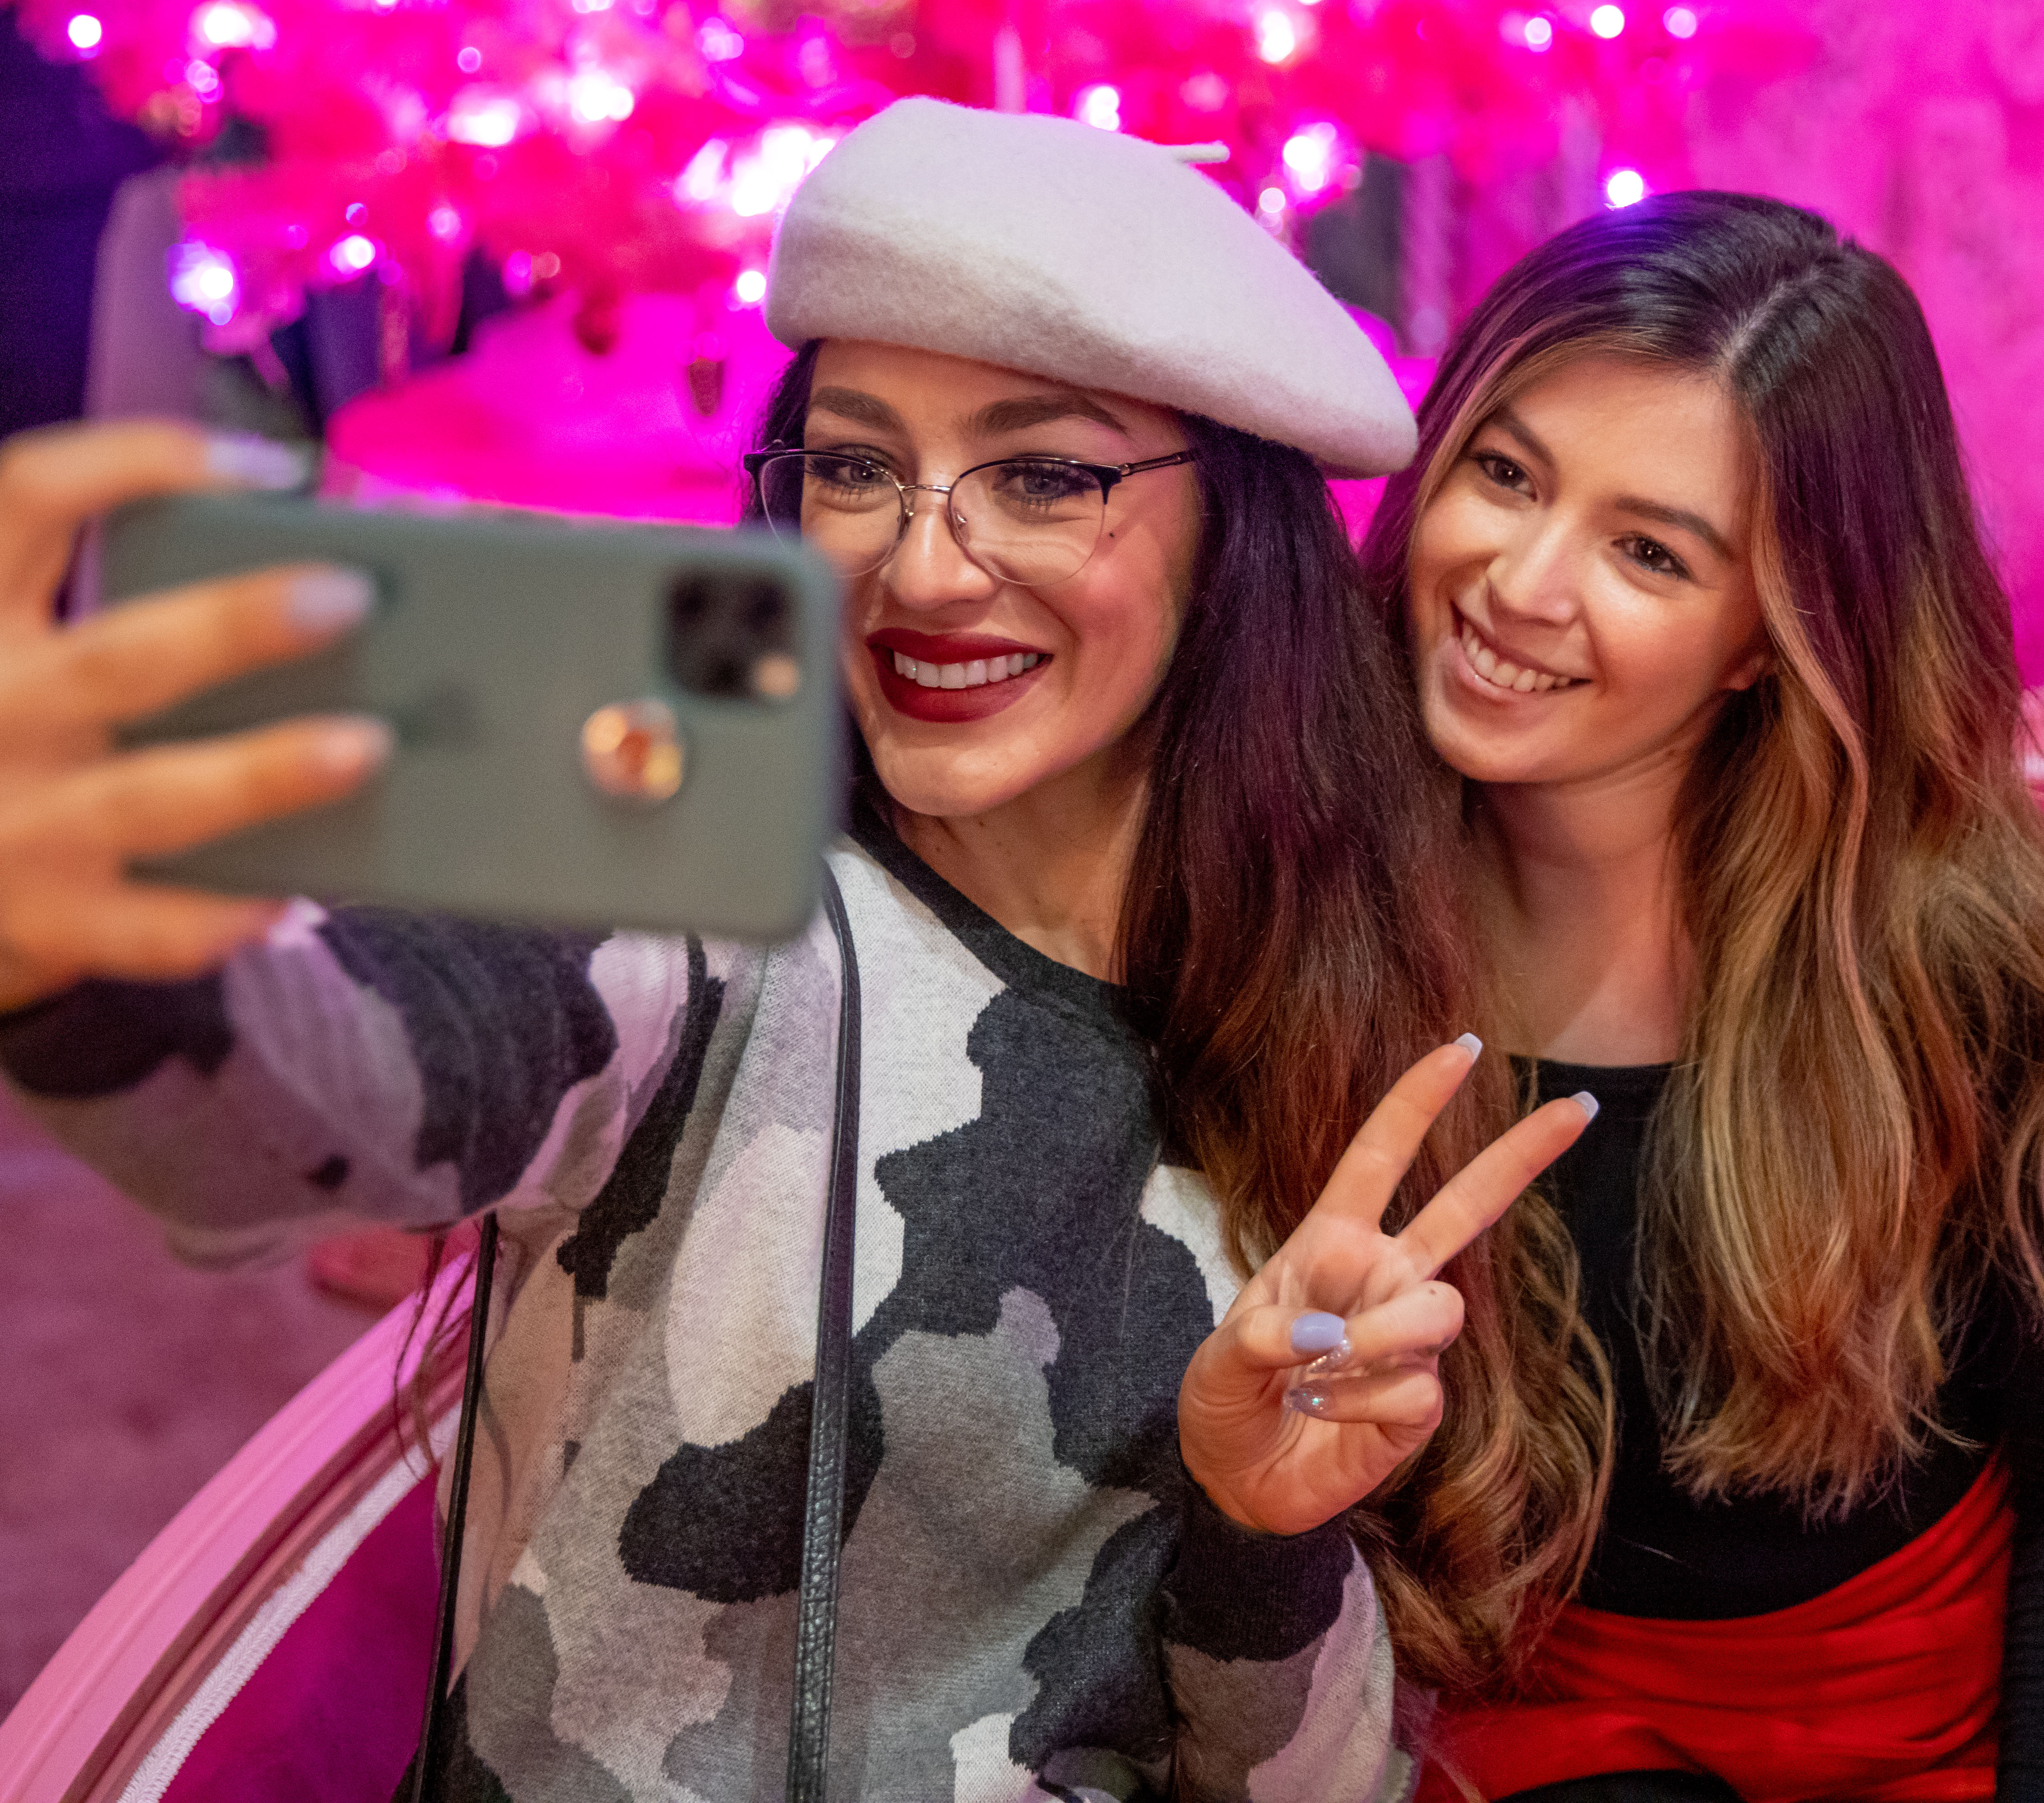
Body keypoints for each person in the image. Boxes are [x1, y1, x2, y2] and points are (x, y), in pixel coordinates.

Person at [0, 99, 1597, 1801]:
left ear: (1238, 533)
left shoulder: (1345, 1022)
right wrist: (94, 974)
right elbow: (347, 1079)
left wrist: (1266, 1536)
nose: (918, 566)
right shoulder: (710, 909)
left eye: (1045, 474)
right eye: (852, 464)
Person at [1358, 189, 2044, 1803]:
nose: (1520, 584)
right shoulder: (1297, 896)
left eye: (1649, 551)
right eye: (1504, 473)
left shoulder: (1974, 966)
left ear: (1772, 634)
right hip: (1443, 1755)